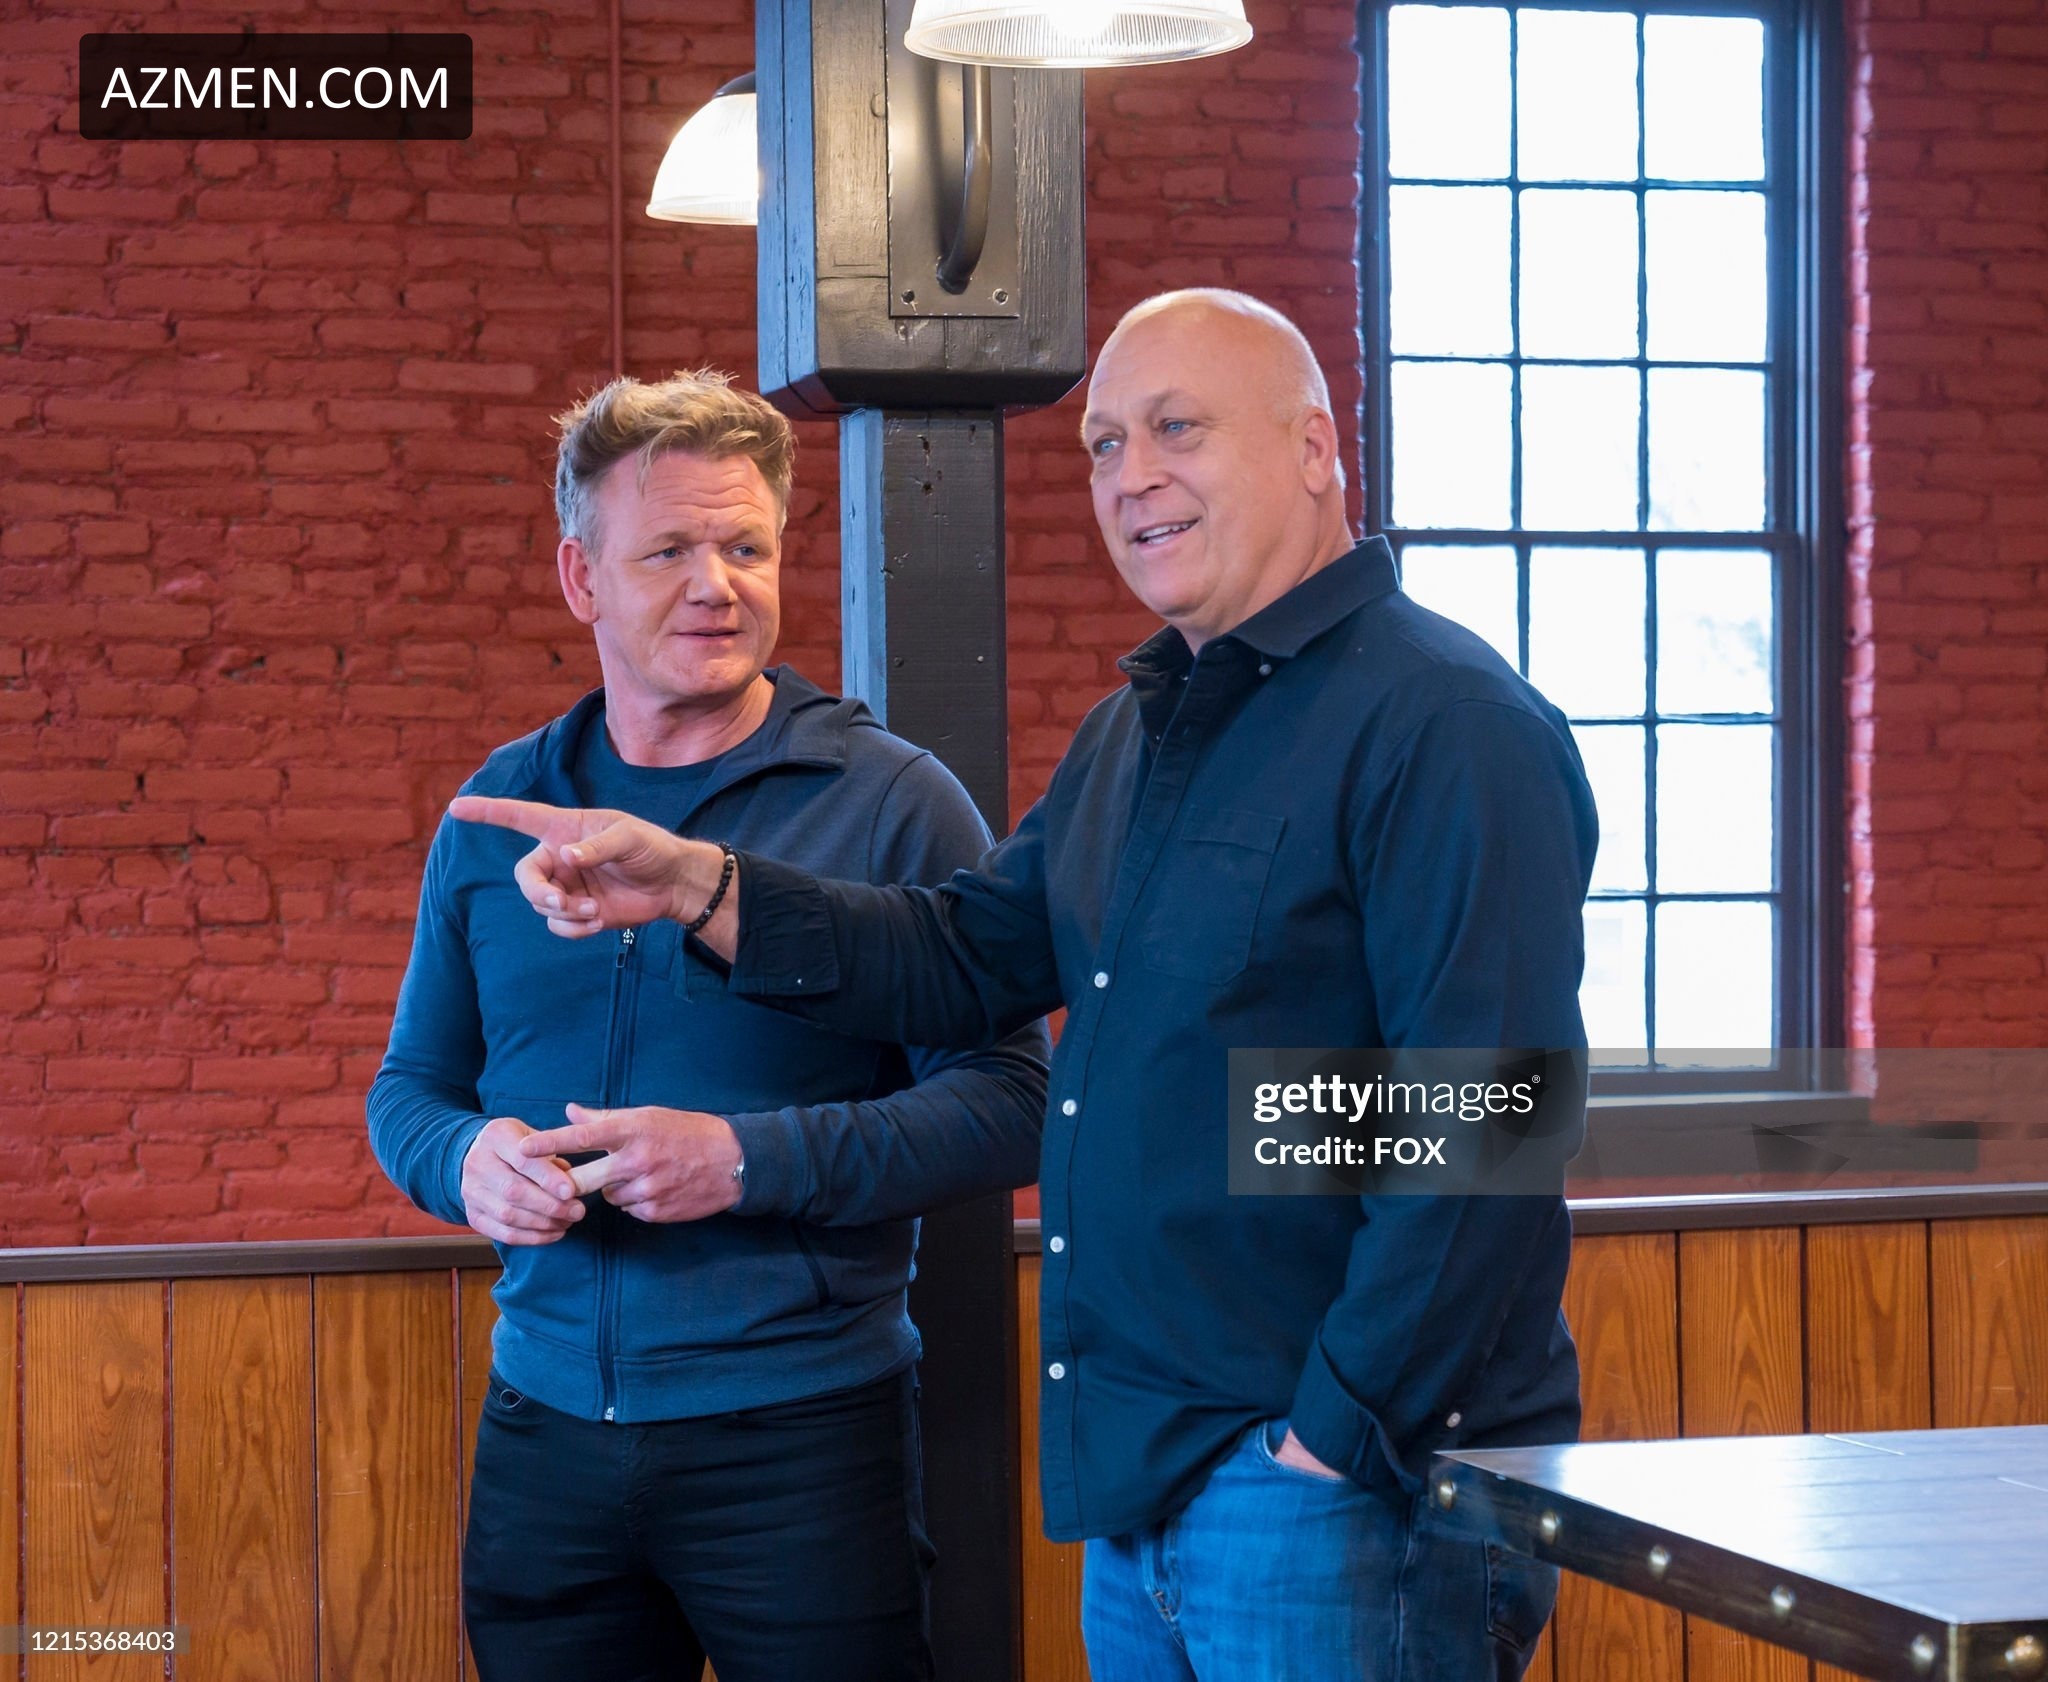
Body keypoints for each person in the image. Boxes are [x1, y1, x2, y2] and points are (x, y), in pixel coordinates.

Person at [454, 292, 1598, 1681]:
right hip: (1155, 1479)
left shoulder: (1445, 720)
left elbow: (1483, 1121)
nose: (1132, 476)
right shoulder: (1136, 735)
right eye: (1106, 444)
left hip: (1333, 1493)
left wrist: (1326, 1442)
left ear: (1314, 449)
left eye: (1177, 429)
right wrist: (701, 884)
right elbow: (959, 954)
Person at [366, 369, 1050, 1682]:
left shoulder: (891, 803)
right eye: (669, 550)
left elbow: (1013, 1101)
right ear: (581, 577)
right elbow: (411, 1087)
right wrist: (465, 1162)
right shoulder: (501, 810)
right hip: (543, 1436)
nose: (716, 586)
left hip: (803, 1443)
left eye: (745, 548)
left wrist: (744, 1162)